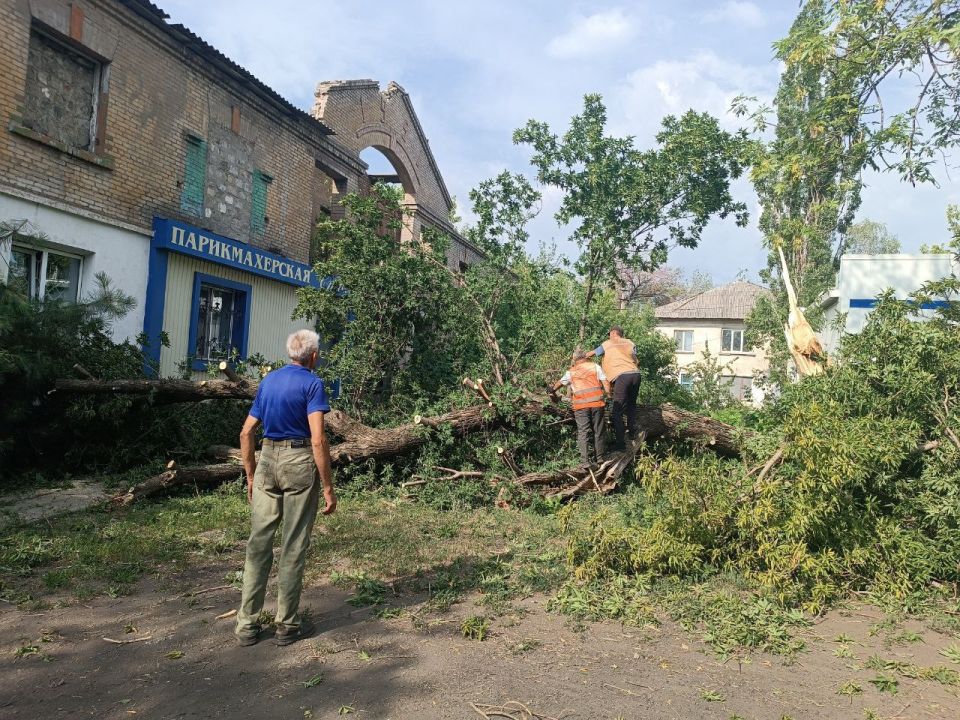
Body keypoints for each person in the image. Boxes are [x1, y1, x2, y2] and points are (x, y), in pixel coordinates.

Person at [235, 329, 337, 647]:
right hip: (298, 460)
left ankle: (247, 625)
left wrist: (251, 476)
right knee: (292, 546)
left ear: (290, 353)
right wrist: (329, 487)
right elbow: (318, 439)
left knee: (259, 544)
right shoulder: (312, 384)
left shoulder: (269, 382)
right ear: (314, 356)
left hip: (267, 459)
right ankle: (287, 625)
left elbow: (246, 433)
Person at [587, 325, 640, 450]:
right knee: (631, 405)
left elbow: (592, 353)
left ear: (613, 333)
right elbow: (636, 359)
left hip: (621, 377)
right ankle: (632, 433)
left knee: (617, 410)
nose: (609, 336)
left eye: (609, 334)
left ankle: (620, 444)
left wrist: (581, 357)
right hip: (636, 375)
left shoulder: (607, 344)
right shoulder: (630, 343)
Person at [553, 349, 609, 467]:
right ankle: (599, 458)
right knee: (598, 430)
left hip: (581, 406)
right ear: (585, 357)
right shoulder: (595, 366)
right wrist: (609, 395)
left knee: (583, 432)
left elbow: (560, 383)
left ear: (574, 359)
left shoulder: (571, 372)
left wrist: (551, 389)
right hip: (596, 404)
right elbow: (605, 382)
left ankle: (585, 461)